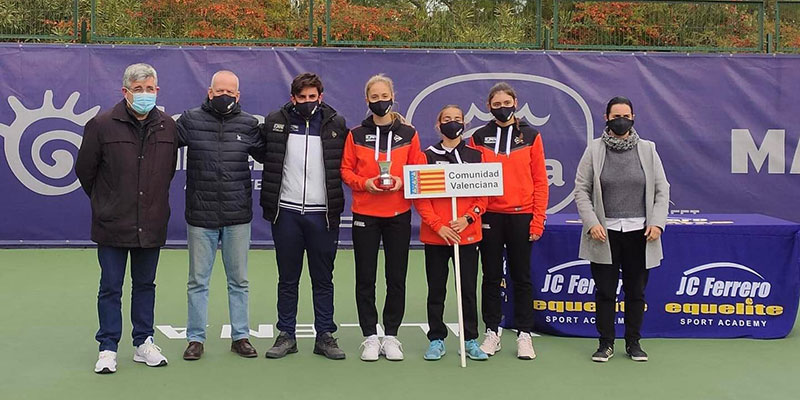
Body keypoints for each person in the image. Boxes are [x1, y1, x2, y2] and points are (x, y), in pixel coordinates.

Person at [75, 63, 178, 374]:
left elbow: (167, 172)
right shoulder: (101, 125)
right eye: (138, 89)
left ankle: (143, 341)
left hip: (152, 223)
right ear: (125, 92)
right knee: (110, 287)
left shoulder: (168, 127)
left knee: (145, 285)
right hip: (112, 223)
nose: (144, 94)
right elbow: (85, 171)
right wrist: (107, 202)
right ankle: (107, 347)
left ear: (157, 91)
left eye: (149, 89)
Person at [176, 70, 265, 361]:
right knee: (197, 281)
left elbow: (273, 155)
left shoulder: (250, 124)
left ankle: (240, 336)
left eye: (230, 92)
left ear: (237, 96)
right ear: (210, 92)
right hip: (200, 216)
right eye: (219, 90)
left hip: (237, 215)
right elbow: (160, 146)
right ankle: (195, 339)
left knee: (239, 280)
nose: (224, 95)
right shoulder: (190, 120)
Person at [259, 73, 348, 360]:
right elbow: (261, 152)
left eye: (313, 97)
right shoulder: (276, 121)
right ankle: (286, 334)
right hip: (286, 213)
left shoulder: (336, 123)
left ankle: (325, 335)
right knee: (288, 278)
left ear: (320, 97)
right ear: (293, 98)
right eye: (302, 97)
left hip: (322, 214)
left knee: (323, 278)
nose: (308, 102)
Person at [573, 96, 669, 363]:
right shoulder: (593, 150)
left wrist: (657, 223)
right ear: (606, 118)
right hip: (604, 235)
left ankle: (634, 343)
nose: (621, 119)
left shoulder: (648, 149)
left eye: (625, 115)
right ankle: (605, 344)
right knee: (605, 291)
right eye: (616, 115)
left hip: (641, 233)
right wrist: (592, 223)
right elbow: (581, 190)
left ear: (633, 117)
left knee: (636, 291)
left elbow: (662, 190)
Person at [341, 74, 422, 362]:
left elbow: (417, 170)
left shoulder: (409, 134)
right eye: (374, 98)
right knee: (365, 278)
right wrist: (366, 184)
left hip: (399, 214)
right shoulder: (356, 134)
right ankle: (370, 337)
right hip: (365, 215)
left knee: (396, 277)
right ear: (367, 100)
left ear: (393, 96)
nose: (380, 101)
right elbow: (346, 171)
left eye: (384, 96)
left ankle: (391, 336)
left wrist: (401, 181)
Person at [469, 82, 549, 360]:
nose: (502, 108)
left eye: (506, 103)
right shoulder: (479, 136)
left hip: (522, 215)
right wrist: (476, 215)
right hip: (490, 216)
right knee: (491, 276)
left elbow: (540, 180)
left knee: (522, 277)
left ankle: (525, 335)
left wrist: (537, 219)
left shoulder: (531, 135)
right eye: (496, 104)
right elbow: (471, 180)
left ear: (516, 102)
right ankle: (492, 331)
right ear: (488, 106)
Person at [414, 105, 488, 361]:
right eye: (447, 119)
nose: (452, 123)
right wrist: (439, 225)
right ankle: (436, 338)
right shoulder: (426, 156)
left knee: (467, 288)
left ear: (464, 124)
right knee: (436, 289)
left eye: (457, 119)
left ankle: (470, 339)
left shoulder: (477, 156)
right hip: (436, 236)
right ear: (438, 124)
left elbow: (483, 197)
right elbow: (420, 199)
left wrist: (467, 218)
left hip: (466, 235)